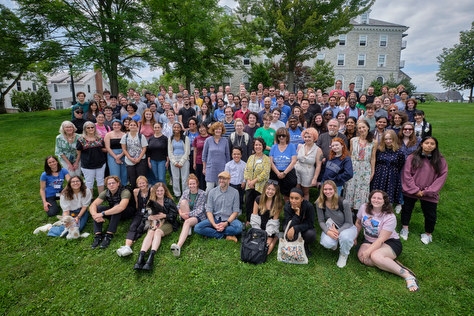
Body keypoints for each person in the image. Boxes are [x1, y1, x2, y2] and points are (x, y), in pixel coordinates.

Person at [356, 190, 419, 292]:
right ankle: (388, 262)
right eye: (374, 198)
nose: (376, 200)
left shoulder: (390, 217)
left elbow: (381, 239)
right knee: (363, 258)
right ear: (370, 199)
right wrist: (355, 237)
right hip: (369, 240)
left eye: (379, 198)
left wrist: (368, 251)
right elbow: (358, 222)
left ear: (384, 201)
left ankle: (407, 275)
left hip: (389, 242)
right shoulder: (364, 207)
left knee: (374, 256)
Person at [400, 136, 448, 244]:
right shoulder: (412, 157)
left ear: (435, 146)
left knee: (430, 214)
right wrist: (415, 189)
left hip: (429, 193)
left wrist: (428, 191)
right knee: (406, 209)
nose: (429, 145)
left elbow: (442, 177)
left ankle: (428, 233)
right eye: (427, 143)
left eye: (432, 144)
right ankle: (405, 228)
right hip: (412, 190)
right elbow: (407, 174)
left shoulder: (440, 160)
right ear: (421, 144)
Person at [133, 182, 178, 270]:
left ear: (165, 191)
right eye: (157, 191)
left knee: (157, 232)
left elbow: (174, 216)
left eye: (161, 190)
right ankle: (141, 257)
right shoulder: (151, 201)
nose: (159, 193)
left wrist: (164, 215)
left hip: (168, 223)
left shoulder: (169, 201)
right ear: (155, 192)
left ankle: (151, 257)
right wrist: (149, 217)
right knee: (150, 233)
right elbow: (145, 215)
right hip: (154, 222)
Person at [316, 180, 357, 268]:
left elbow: (349, 222)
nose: (327, 191)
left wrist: (338, 231)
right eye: (325, 189)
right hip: (331, 227)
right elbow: (321, 221)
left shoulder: (343, 202)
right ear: (322, 190)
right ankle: (336, 242)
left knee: (345, 237)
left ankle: (343, 255)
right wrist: (328, 232)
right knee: (326, 242)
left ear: (335, 189)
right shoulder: (319, 202)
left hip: (347, 228)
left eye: (330, 189)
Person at [89, 176, 136, 249]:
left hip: (127, 211)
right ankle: (98, 235)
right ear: (106, 186)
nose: (111, 185)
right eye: (109, 184)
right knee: (98, 208)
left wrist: (102, 214)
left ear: (118, 183)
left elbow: (121, 207)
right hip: (114, 210)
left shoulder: (125, 191)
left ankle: (109, 235)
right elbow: (93, 205)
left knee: (117, 208)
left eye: (113, 183)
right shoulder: (106, 192)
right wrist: (95, 215)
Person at [194, 171, 242, 242]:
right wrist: (214, 224)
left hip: (229, 220)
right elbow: (209, 210)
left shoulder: (235, 192)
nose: (221, 181)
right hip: (216, 219)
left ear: (229, 180)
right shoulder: (212, 192)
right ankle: (225, 235)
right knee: (197, 228)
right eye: (220, 178)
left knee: (239, 228)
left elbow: (235, 211)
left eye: (224, 179)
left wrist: (226, 223)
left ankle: (212, 232)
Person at [170, 174, 207, 257]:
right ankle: (188, 228)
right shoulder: (186, 192)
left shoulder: (203, 194)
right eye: (190, 184)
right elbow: (178, 206)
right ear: (188, 184)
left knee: (187, 222)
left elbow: (201, 210)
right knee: (183, 202)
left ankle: (178, 246)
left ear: (197, 184)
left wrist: (188, 214)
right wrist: (181, 213)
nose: (192, 186)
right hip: (186, 214)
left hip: (198, 216)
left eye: (193, 183)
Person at [344, 120, 377, 212]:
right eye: (359, 128)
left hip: (365, 167)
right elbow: (350, 155)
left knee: (362, 188)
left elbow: (373, 158)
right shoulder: (353, 140)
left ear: (368, 128)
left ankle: (360, 210)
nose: (362, 129)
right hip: (354, 166)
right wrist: (348, 168)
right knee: (350, 187)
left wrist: (372, 171)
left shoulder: (374, 142)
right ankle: (349, 209)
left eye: (363, 127)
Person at [116, 176, 151, 257]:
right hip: (139, 212)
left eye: (143, 183)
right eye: (140, 183)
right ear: (137, 184)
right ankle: (127, 246)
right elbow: (137, 203)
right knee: (133, 226)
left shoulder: (151, 190)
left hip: (149, 213)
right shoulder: (136, 191)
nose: (142, 185)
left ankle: (130, 244)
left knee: (140, 228)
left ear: (146, 183)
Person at [250, 180, 283, 254]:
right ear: (265, 189)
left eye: (273, 190)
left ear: (276, 191)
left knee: (266, 251)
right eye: (268, 189)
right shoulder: (258, 199)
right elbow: (254, 217)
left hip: (270, 228)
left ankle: (276, 238)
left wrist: (266, 234)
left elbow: (274, 222)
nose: (270, 192)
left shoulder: (278, 204)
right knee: (255, 246)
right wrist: (258, 232)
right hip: (258, 226)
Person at [244, 137, 271, 225]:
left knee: (259, 203)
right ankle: (248, 220)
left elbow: (265, 173)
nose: (257, 147)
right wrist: (249, 181)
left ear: (263, 146)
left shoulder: (266, 159)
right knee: (248, 203)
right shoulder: (251, 157)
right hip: (249, 185)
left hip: (260, 186)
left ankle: (258, 221)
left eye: (259, 145)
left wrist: (254, 181)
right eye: (256, 145)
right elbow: (246, 170)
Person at [283, 187, 316, 256]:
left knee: (311, 234)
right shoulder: (287, 206)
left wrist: (296, 228)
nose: (293, 201)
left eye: (296, 198)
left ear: (302, 199)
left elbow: (310, 223)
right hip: (291, 225)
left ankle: (304, 245)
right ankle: (293, 245)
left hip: (305, 227)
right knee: (287, 230)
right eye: (291, 198)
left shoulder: (309, 206)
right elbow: (289, 223)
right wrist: (297, 214)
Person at [76, 121, 106, 194]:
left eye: (92, 127)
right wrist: (76, 162)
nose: (90, 129)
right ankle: (90, 198)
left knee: (100, 180)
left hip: (100, 163)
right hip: (87, 164)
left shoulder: (100, 138)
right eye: (88, 128)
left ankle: (101, 197)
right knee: (89, 181)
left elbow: (103, 149)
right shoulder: (81, 140)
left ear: (94, 128)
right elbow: (78, 152)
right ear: (85, 129)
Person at [269, 127, 297, 201]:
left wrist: (284, 173)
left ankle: (287, 207)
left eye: (283, 135)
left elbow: (293, 161)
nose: (281, 137)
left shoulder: (291, 146)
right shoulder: (274, 147)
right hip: (276, 171)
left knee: (288, 192)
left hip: (288, 171)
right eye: (279, 135)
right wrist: (278, 173)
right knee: (274, 191)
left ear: (287, 136)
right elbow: (271, 161)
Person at [202, 122, 230, 194]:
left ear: (222, 130)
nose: (218, 131)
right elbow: (204, 155)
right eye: (216, 129)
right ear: (213, 130)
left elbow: (227, 156)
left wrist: (227, 170)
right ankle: (207, 204)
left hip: (222, 169)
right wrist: (204, 168)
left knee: (221, 190)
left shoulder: (225, 141)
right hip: (210, 169)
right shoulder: (208, 140)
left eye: (219, 129)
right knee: (209, 189)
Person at [295, 128, 322, 201]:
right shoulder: (300, 146)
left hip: (308, 172)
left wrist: (315, 178)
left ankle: (306, 206)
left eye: (309, 137)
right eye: (305, 137)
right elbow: (295, 159)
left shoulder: (318, 150)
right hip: (297, 170)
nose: (307, 139)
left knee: (305, 191)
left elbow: (318, 165)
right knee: (297, 190)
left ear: (314, 137)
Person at [121, 120, 148, 190]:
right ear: (128, 127)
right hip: (129, 160)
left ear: (137, 127)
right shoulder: (125, 137)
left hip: (141, 160)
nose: (132, 126)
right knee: (132, 178)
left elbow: (144, 148)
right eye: (131, 125)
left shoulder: (141, 136)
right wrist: (130, 158)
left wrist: (139, 158)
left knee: (141, 177)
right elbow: (124, 149)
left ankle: (143, 193)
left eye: (134, 125)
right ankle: (134, 194)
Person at [168, 122, 190, 197]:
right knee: (175, 178)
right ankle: (177, 194)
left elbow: (187, 151)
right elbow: (170, 151)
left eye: (178, 127)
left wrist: (181, 162)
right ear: (173, 128)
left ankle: (185, 193)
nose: (176, 129)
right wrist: (174, 162)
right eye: (175, 127)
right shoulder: (170, 138)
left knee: (185, 178)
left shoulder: (185, 138)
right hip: (174, 159)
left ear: (181, 128)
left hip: (184, 159)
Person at [104, 119, 127, 185]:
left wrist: (120, 155)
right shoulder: (108, 135)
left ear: (121, 126)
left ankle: (124, 187)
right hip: (112, 155)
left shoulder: (124, 135)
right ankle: (115, 188)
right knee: (115, 173)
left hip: (123, 154)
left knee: (124, 173)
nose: (116, 126)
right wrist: (116, 157)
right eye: (115, 125)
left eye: (118, 125)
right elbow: (107, 147)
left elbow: (126, 147)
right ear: (112, 126)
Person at [225, 147, 247, 211]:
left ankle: (239, 210)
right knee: (231, 198)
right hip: (231, 184)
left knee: (240, 197)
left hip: (240, 185)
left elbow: (245, 174)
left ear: (241, 155)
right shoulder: (228, 165)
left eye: (238, 154)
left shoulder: (245, 165)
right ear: (232, 155)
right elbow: (226, 175)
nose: (236, 156)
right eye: (234, 154)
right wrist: (227, 183)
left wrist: (244, 181)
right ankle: (230, 209)